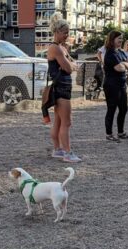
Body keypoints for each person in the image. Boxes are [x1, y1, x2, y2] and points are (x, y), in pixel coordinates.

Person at [45, 13, 82, 163]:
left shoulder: (61, 48)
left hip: (62, 88)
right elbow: (68, 68)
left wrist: (71, 65)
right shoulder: (57, 49)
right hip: (61, 89)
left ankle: (58, 150)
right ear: (57, 32)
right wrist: (72, 66)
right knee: (67, 122)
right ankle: (67, 153)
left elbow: (70, 65)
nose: (67, 35)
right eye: (65, 32)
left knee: (59, 121)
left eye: (68, 32)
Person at [102, 31, 128, 142]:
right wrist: (124, 65)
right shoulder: (110, 53)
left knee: (124, 108)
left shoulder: (120, 52)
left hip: (122, 84)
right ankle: (109, 134)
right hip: (111, 85)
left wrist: (124, 64)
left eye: (121, 38)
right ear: (112, 39)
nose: (121, 40)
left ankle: (121, 132)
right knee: (112, 109)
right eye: (119, 38)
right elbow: (120, 68)